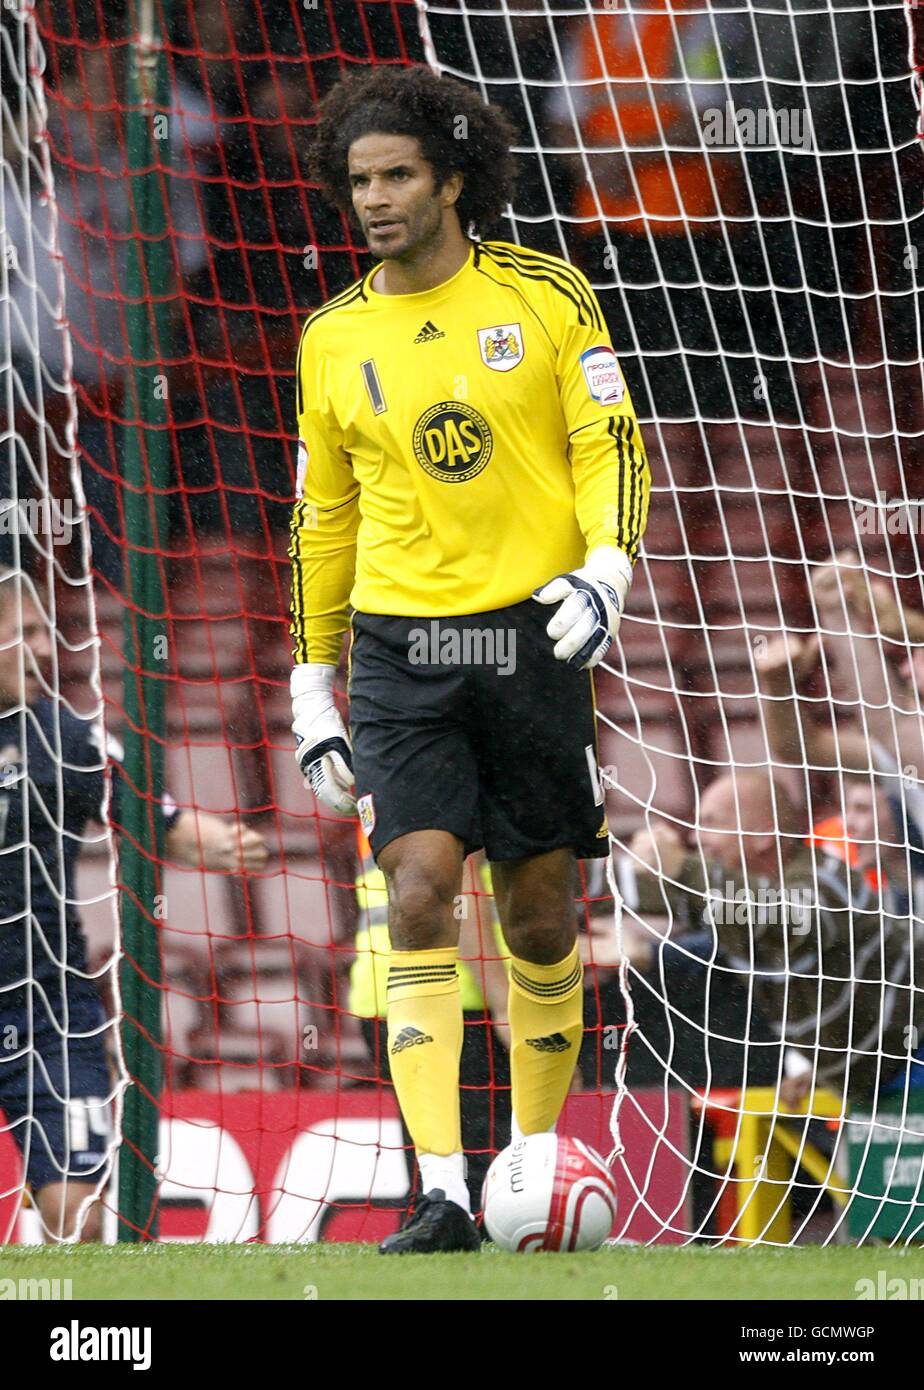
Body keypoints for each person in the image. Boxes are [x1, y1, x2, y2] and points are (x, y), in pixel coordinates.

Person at [289, 65, 651, 1253]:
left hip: (529, 635)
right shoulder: (333, 338)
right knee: (419, 891)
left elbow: (610, 441)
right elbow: (322, 517)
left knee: (541, 918)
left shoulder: (549, 296)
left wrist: (607, 570)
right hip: (402, 650)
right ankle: (443, 1190)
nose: (375, 200)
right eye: (358, 180)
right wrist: (311, 680)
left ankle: (536, 1163)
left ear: (453, 178)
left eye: (397, 176)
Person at [0, 567, 268, 1240]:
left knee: (77, 1217)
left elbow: (155, 818)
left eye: (44, 631)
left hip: (49, 1011)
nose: (40, 647)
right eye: (21, 633)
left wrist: (218, 842)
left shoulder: (65, 736)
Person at [351, 827, 511, 1215]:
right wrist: (505, 1005)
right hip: (459, 996)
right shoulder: (460, 783)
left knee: (432, 1158)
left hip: (387, 991)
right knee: (480, 1167)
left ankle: (431, 1236)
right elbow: (462, 889)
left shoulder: (389, 783)